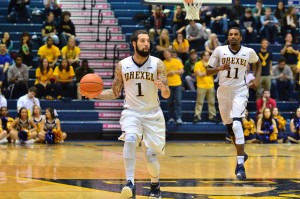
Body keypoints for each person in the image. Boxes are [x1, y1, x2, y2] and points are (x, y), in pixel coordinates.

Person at [92, 29, 170, 199]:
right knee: (130, 138)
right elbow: (114, 92)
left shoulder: (158, 64)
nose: (146, 44)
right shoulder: (123, 65)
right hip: (131, 112)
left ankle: (155, 185)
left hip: (153, 114)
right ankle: (130, 183)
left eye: (148, 41)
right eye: (142, 41)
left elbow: (167, 94)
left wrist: (163, 87)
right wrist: (95, 94)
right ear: (134, 44)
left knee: (150, 156)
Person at [206, 27, 262, 180]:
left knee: (237, 124)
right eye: (230, 35)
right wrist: (219, 68)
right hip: (223, 92)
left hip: (240, 90)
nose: (233, 37)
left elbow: (258, 63)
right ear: (228, 37)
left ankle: (240, 165)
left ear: (240, 37)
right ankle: (242, 153)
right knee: (230, 127)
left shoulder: (248, 52)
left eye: (236, 34)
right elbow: (207, 71)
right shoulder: (219, 50)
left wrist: (256, 79)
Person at [193, 51, 218, 123]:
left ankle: (212, 116)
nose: (208, 57)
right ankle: (197, 116)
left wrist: (208, 71)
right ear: (202, 56)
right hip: (201, 86)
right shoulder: (197, 64)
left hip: (210, 85)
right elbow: (199, 74)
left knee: (212, 102)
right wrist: (208, 71)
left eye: (209, 55)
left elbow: (215, 72)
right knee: (199, 102)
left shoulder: (211, 64)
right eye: (206, 55)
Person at [163, 49, 184, 124]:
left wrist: (174, 71)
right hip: (168, 85)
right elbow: (161, 75)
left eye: (167, 54)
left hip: (177, 84)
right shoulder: (162, 63)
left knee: (178, 101)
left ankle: (178, 118)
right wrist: (168, 73)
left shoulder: (177, 61)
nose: (166, 55)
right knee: (169, 102)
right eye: (165, 54)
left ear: (170, 54)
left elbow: (182, 71)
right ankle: (171, 117)